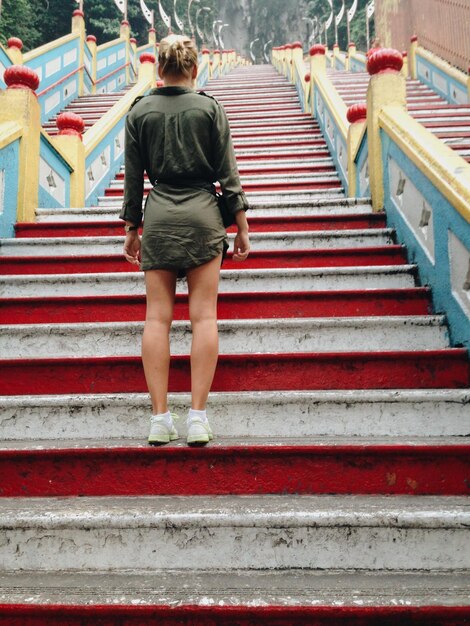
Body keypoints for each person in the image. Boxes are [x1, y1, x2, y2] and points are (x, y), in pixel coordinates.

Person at [120, 34, 250, 446]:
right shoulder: (210, 109)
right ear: (195, 69)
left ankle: (160, 419)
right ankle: (197, 417)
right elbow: (228, 174)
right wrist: (242, 226)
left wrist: (131, 228)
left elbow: (133, 178)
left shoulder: (139, 112)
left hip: (158, 216)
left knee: (157, 318)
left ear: (159, 70)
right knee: (204, 318)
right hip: (202, 216)